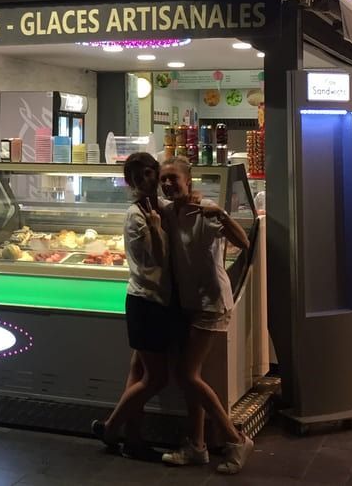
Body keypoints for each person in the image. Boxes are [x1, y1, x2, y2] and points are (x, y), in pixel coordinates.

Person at [159, 157, 254, 475]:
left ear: (189, 179)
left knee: (187, 375)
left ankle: (236, 439)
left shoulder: (207, 210)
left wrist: (224, 217)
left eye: (173, 178)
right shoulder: (169, 212)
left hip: (211, 304)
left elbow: (244, 242)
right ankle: (197, 446)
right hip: (186, 304)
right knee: (191, 379)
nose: (168, 184)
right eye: (164, 180)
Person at [92, 152, 179, 459]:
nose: (149, 180)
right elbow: (156, 259)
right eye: (140, 175)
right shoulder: (137, 215)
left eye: (151, 172)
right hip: (146, 302)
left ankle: (133, 438)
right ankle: (112, 427)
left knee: (138, 371)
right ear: (130, 182)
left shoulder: (157, 207)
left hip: (153, 301)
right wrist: (156, 227)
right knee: (157, 378)